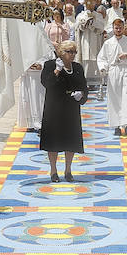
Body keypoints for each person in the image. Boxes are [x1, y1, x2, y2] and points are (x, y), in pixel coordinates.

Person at [40, 40, 87, 182]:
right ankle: (53, 170)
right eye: (69, 52)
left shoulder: (78, 67)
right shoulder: (50, 65)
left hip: (71, 109)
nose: (72, 55)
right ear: (61, 52)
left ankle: (68, 170)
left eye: (74, 52)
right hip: (54, 109)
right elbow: (46, 83)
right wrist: (57, 71)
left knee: (70, 139)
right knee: (53, 140)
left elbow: (84, 86)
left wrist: (82, 94)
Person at [97, 17, 127, 138]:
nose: (118, 29)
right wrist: (103, 67)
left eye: (120, 27)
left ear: (123, 28)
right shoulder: (108, 43)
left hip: (125, 70)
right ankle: (116, 125)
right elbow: (102, 58)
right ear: (113, 28)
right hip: (114, 70)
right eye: (116, 28)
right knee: (114, 98)